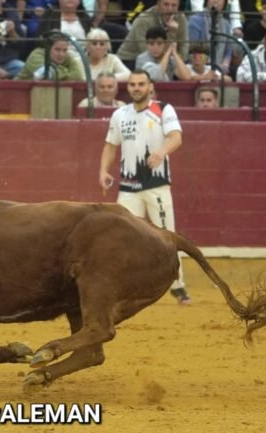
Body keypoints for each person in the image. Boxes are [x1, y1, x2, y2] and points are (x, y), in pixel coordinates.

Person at [98, 69, 191, 305]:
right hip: (128, 187)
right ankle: (122, 286)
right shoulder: (120, 114)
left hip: (156, 184)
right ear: (127, 87)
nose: (136, 88)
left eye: (141, 84)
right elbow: (110, 145)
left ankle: (178, 285)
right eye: (132, 84)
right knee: (121, 237)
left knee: (167, 234)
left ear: (150, 86)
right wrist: (103, 171)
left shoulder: (163, 109)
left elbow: (176, 137)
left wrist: (161, 152)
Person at [117, 0, 188, 69]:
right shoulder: (144, 19)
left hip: (164, 59)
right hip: (131, 59)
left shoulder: (181, 18)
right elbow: (148, 52)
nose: (170, 9)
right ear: (158, 4)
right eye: (166, 4)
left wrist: (179, 60)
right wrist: (172, 34)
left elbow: (185, 45)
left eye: (174, 5)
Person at [188, 0, 233, 75]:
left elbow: (228, 51)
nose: (216, 1)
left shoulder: (227, 25)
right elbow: (193, 49)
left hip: (220, 67)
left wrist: (225, 64)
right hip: (200, 66)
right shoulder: (195, 21)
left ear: (224, 3)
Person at [15, 33, 84, 80]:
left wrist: (58, 73)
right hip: (17, 92)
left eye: (64, 50)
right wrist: (66, 71)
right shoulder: (36, 55)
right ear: (47, 48)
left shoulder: (67, 56)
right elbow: (46, 74)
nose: (61, 54)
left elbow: (78, 76)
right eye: (57, 50)